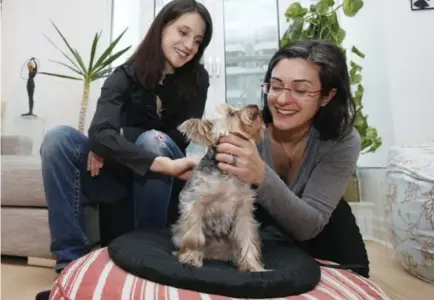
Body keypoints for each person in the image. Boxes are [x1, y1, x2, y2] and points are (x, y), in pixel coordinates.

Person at [39, 0, 213, 277]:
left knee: (153, 140)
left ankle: (148, 256)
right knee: (58, 139)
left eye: (197, 40)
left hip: (166, 178)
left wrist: (120, 137)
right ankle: (70, 261)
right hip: (122, 175)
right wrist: (105, 142)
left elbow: (177, 139)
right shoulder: (124, 74)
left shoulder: (198, 79)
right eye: (182, 32)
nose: (189, 45)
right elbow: (98, 133)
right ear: (161, 28)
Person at [215, 39, 370, 278]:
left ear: (327, 97)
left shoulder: (342, 140)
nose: (282, 100)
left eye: (300, 90)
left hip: (318, 230)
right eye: (276, 86)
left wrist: (261, 175)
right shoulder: (246, 129)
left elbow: (309, 226)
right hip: (255, 231)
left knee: (355, 274)